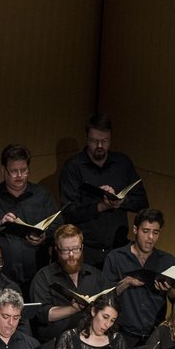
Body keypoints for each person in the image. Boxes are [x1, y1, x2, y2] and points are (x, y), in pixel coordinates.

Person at [60, 113, 149, 268]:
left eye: (105, 141)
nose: (100, 146)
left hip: (119, 249)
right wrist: (100, 206)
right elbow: (68, 212)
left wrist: (121, 202)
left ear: (111, 138)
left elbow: (142, 202)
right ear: (87, 138)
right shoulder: (73, 167)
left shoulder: (123, 163)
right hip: (85, 251)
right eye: (95, 141)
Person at [0, 144, 61, 291]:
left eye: (24, 170)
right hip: (1, 276)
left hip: (36, 274)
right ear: (3, 170)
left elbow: (59, 226)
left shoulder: (42, 195)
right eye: (14, 171)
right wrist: (0, 223)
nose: (19, 175)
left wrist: (44, 237)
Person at [102, 208, 175, 347]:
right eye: (145, 231)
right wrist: (126, 283)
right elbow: (104, 297)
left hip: (154, 336)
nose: (150, 237)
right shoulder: (116, 257)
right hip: (122, 335)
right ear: (135, 230)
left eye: (155, 232)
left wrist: (169, 290)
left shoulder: (168, 261)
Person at [33, 225, 114, 343]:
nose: (71, 255)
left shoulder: (95, 275)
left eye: (75, 249)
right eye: (66, 250)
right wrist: (72, 309)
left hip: (90, 341)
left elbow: (109, 305)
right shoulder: (44, 276)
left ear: (81, 248)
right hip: (56, 344)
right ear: (57, 250)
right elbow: (43, 314)